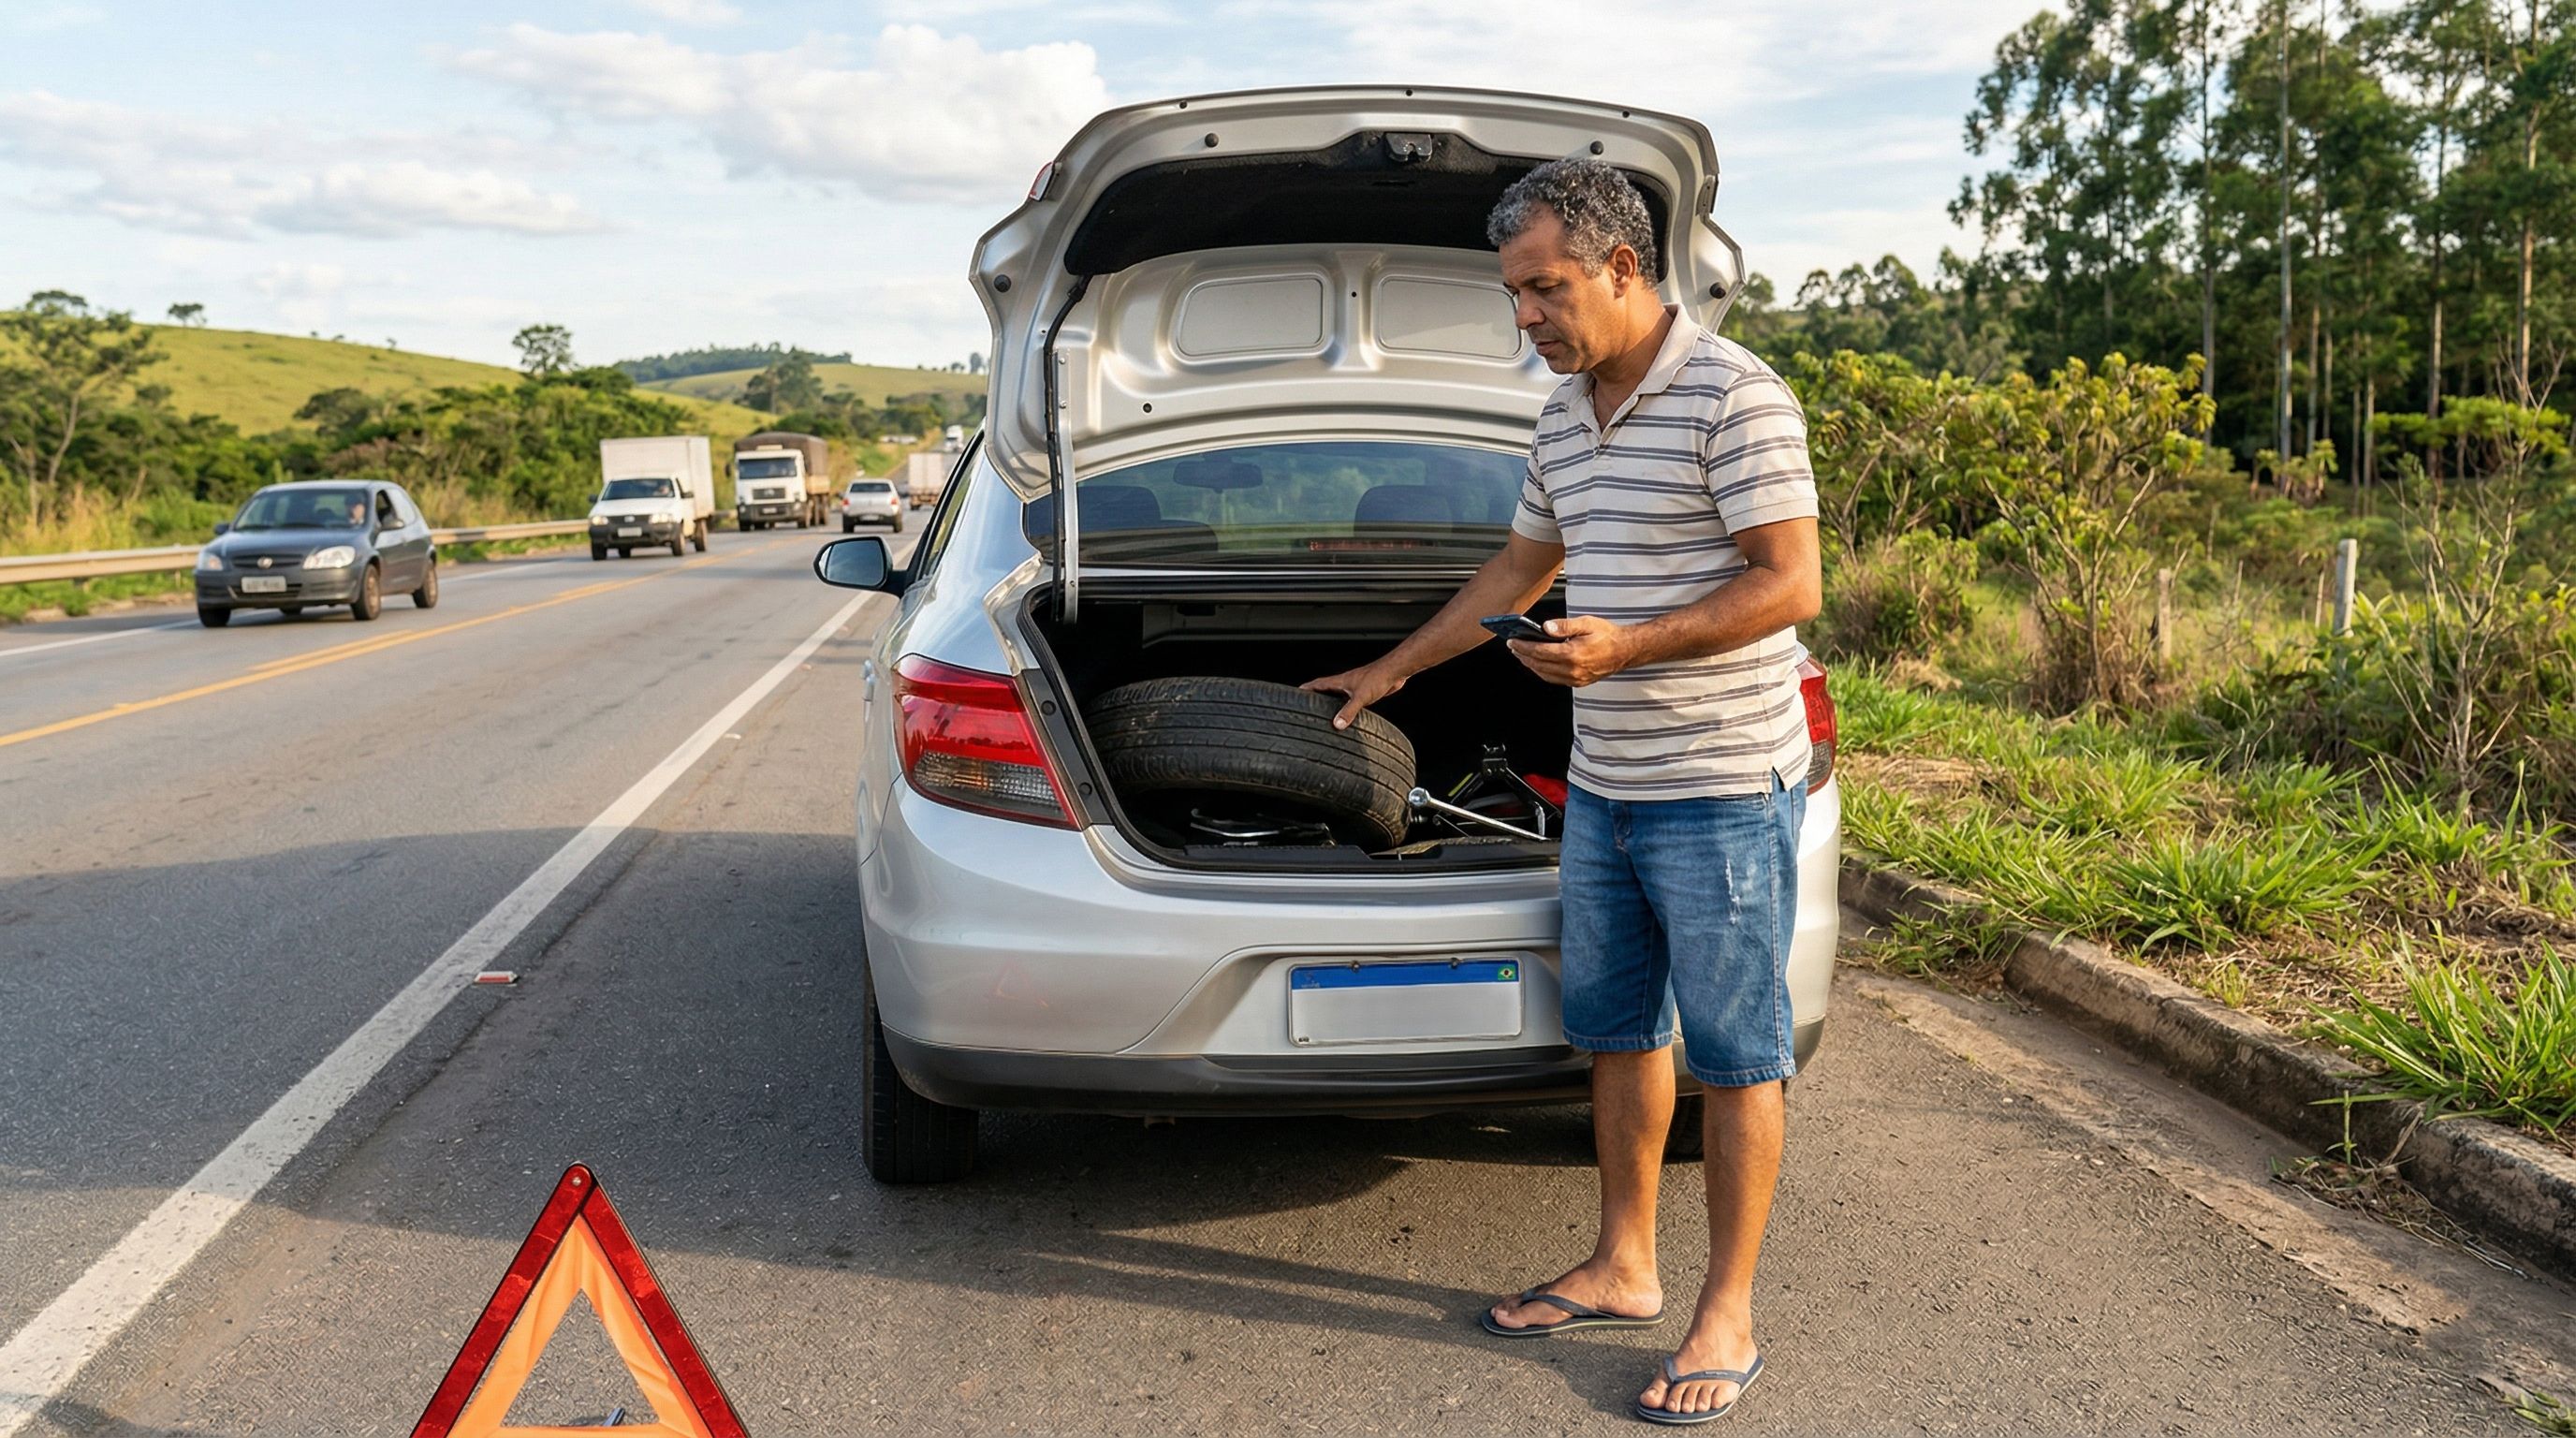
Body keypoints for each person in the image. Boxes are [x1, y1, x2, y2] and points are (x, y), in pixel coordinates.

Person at [1302, 157, 1821, 1426]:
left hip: (1719, 782)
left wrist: (1625, 647)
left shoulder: (1736, 396)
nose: (1524, 316)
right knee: (1619, 1031)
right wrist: (1386, 673)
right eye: (1514, 294)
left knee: (1738, 1055)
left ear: (1623, 268)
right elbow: (1514, 573)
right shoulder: (1560, 417)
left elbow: (1790, 583)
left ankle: (1729, 1312)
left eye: (1544, 289)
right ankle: (1625, 1265)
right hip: (1607, 781)